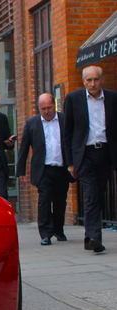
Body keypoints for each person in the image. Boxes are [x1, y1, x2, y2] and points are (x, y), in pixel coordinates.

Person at [63, 65, 117, 253]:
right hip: (84, 154)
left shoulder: (112, 98)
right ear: (83, 81)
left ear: (102, 79)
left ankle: (89, 237)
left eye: (96, 79)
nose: (93, 84)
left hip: (105, 153)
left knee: (99, 193)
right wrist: (70, 162)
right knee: (91, 193)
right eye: (89, 80)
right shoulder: (73, 99)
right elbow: (67, 131)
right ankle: (95, 237)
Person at [17, 93, 70, 246]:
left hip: (61, 168)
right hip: (43, 169)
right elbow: (24, 148)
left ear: (55, 106)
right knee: (44, 201)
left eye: (49, 108)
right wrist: (21, 172)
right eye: (43, 108)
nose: (47, 111)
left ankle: (59, 230)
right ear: (38, 108)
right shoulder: (32, 123)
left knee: (60, 201)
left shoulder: (64, 120)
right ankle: (45, 234)